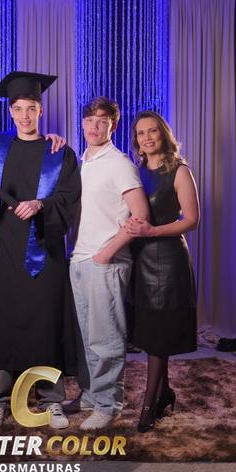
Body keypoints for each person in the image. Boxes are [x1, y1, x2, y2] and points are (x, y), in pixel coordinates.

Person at [0, 71, 81, 430]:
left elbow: (69, 198)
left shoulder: (60, 152)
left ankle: (52, 401)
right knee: (3, 324)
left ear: (41, 110)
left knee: (45, 325)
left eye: (32, 108)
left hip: (44, 253)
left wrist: (41, 205)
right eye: (19, 109)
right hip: (4, 253)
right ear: (10, 112)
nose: (25, 116)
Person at [70, 96, 149, 431]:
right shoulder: (82, 161)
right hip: (79, 258)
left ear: (112, 125)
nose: (94, 126)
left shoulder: (120, 164)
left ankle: (108, 404)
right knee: (88, 337)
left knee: (107, 338)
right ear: (82, 123)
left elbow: (140, 215)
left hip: (107, 261)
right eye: (90, 120)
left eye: (102, 120)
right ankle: (91, 395)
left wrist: (106, 252)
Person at [124, 111, 199, 433]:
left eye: (153, 131)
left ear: (163, 134)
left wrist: (153, 231)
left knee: (158, 337)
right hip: (140, 259)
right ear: (137, 140)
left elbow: (192, 219)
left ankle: (148, 406)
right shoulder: (135, 172)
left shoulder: (180, 171)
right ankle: (165, 392)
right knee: (155, 332)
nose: (147, 137)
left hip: (168, 261)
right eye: (141, 133)